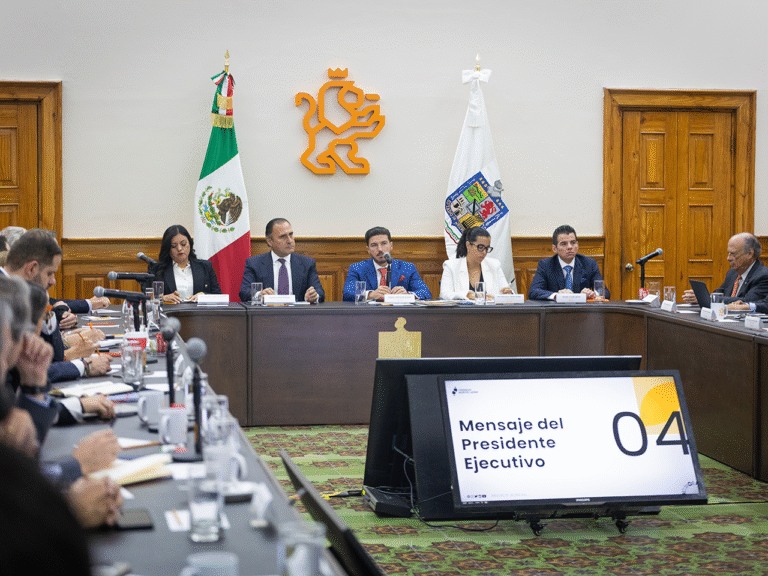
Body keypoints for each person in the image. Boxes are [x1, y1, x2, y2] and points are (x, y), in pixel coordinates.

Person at [2, 229, 111, 382]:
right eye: (49, 273)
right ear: (32, 268)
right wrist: (84, 366)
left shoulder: (20, 293)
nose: (53, 281)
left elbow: (53, 354)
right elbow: (22, 372)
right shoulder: (6, 298)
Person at [239, 218, 325, 303]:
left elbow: (319, 292)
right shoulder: (254, 263)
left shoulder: (307, 263)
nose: (290, 240)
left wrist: (314, 296)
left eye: (291, 234)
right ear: (270, 241)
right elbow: (244, 292)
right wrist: (259, 295)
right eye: (283, 237)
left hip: (297, 311)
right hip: (268, 311)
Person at [342, 226, 431, 301]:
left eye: (384, 243)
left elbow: (425, 292)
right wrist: (370, 295)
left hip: (399, 314)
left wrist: (408, 296)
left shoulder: (407, 268)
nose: (380, 249)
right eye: (374, 245)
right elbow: (347, 293)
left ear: (391, 246)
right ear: (368, 249)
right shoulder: (357, 268)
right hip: (370, 314)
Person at [683, 232, 768, 305]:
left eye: (733, 254)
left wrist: (708, 298)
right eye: (728, 253)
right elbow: (719, 293)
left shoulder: (763, 276)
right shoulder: (732, 273)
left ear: (749, 254)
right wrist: (701, 296)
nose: (728, 258)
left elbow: (747, 301)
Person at [528, 224, 609, 301]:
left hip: (582, 310)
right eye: (563, 244)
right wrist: (557, 295)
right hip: (556, 310)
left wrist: (592, 294)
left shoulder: (589, 263)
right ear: (555, 249)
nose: (570, 247)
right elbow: (533, 291)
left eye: (573, 243)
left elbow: (605, 293)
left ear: (577, 245)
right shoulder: (545, 265)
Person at [150, 225, 221, 303]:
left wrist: (204, 296)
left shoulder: (205, 267)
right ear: (167, 248)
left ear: (190, 244)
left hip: (199, 310)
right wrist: (162, 298)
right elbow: (146, 297)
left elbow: (219, 296)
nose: (179, 249)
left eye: (183, 244)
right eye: (174, 246)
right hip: (169, 310)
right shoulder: (157, 269)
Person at [440, 226, 513, 300]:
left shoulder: (494, 265)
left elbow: (506, 290)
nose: (484, 252)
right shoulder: (451, 266)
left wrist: (508, 293)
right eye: (480, 247)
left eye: (487, 248)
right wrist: (469, 295)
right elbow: (444, 294)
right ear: (468, 245)